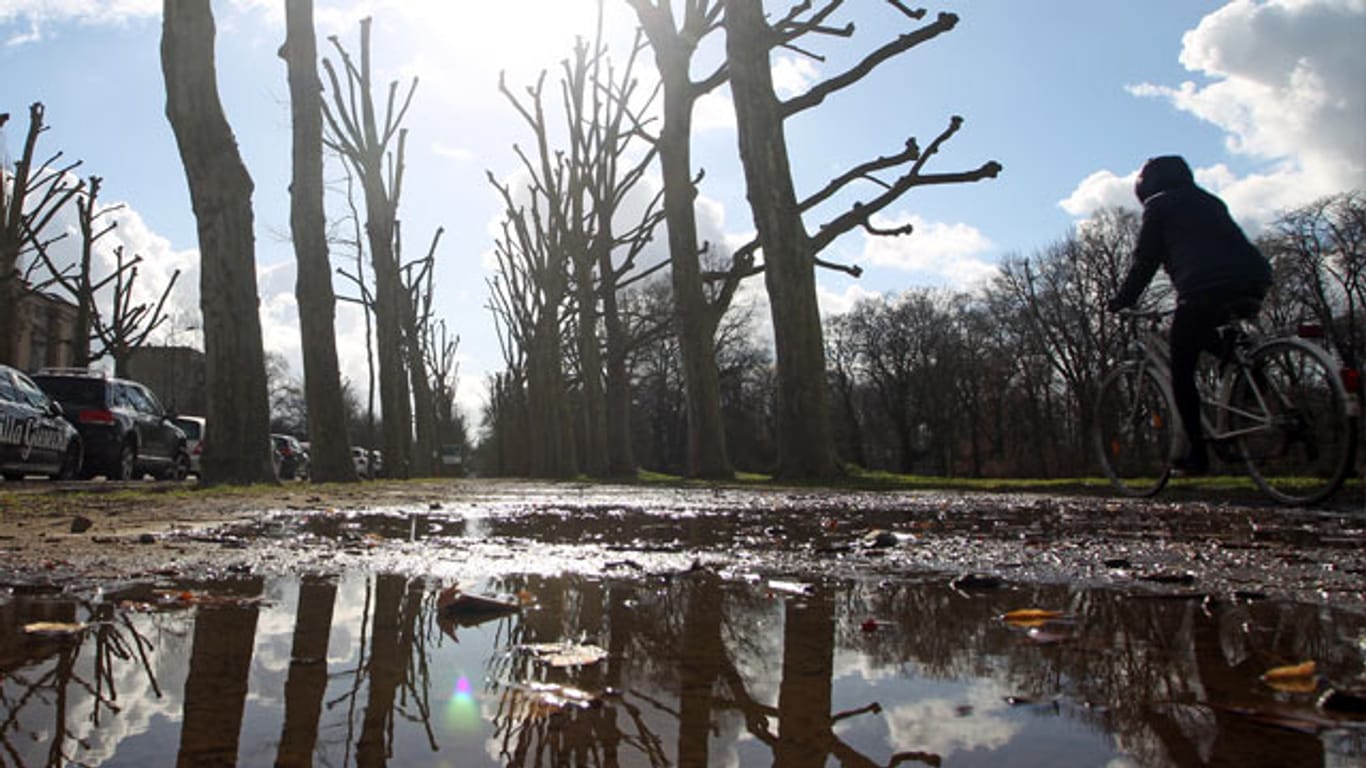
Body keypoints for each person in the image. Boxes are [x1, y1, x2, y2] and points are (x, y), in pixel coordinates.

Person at [1107, 155, 1272, 475]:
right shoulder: (1209, 201)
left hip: (1204, 288)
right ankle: (1245, 359)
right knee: (1201, 330)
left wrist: (1122, 300)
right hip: (1253, 280)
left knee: (1181, 369)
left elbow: (1145, 261)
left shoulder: (1159, 207)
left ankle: (1198, 456)